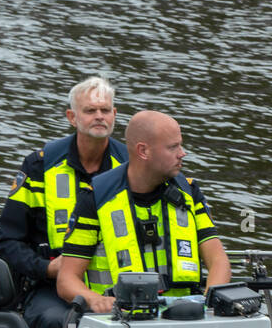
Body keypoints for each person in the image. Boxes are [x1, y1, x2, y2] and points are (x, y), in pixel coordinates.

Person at [0, 77, 127, 328]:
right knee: (60, 322)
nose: (99, 116)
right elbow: (7, 241)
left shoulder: (130, 168)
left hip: (117, 285)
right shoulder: (40, 166)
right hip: (51, 288)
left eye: (105, 110)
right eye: (90, 111)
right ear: (72, 117)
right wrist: (46, 268)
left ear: (115, 115)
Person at [57, 110, 230, 313]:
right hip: (119, 321)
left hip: (184, 317)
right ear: (143, 151)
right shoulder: (96, 198)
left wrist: (208, 304)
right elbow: (66, 280)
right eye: (173, 147)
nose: (182, 153)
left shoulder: (189, 192)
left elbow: (219, 261)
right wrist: (94, 299)